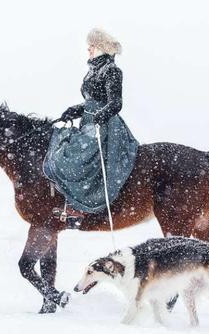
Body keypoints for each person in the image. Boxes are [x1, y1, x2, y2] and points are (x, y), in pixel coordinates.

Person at [43, 28, 139, 227]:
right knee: (63, 150)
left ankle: (81, 206)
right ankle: (70, 202)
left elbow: (115, 103)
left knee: (75, 159)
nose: (89, 49)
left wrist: (98, 116)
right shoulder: (93, 70)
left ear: (102, 48)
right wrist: (74, 110)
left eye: (92, 46)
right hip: (88, 122)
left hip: (105, 126)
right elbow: (90, 102)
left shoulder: (112, 71)